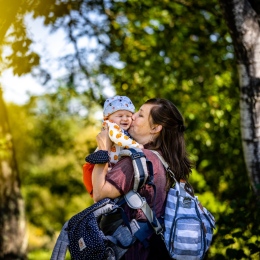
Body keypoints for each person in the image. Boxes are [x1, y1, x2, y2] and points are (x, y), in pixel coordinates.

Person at [91, 98, 193, 260]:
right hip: (151, 249)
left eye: (140, 115)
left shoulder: (138, 159)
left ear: (155, 128)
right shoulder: (163, 161)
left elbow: (99, 193)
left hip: (132, 251)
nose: (132, 118)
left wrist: (103, 149)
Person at [83, 95, 143, 197]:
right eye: (120, 116)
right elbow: (118, 138)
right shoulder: (111, 126)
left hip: (111, 164)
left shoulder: (124, 130)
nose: (125, 119)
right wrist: (136, 145)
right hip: (103, 162)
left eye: (128, 116)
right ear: (108, 118)